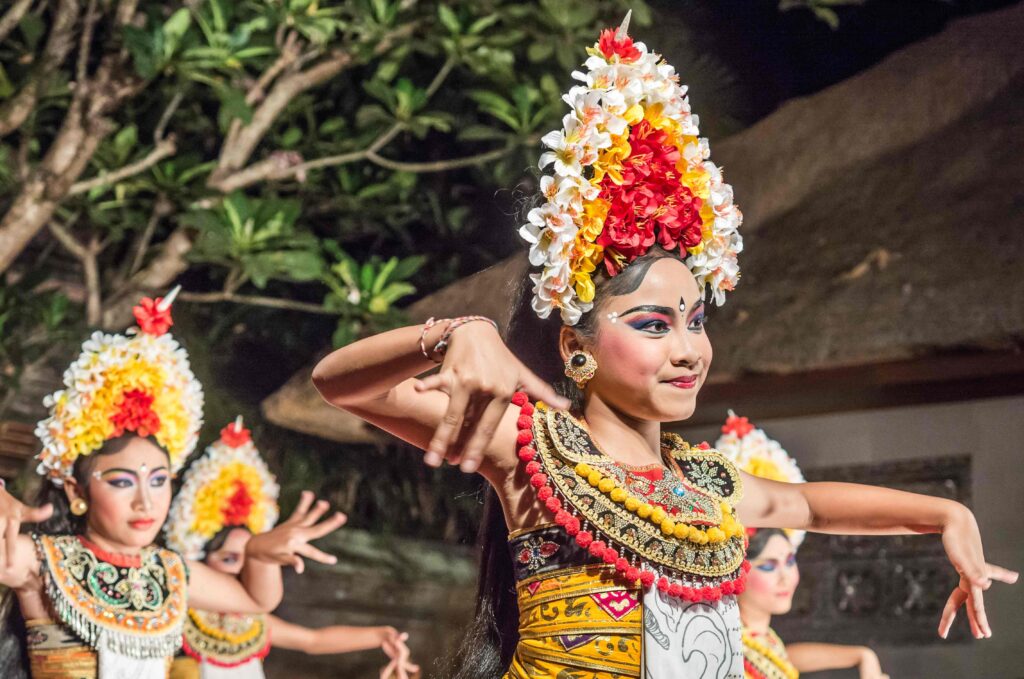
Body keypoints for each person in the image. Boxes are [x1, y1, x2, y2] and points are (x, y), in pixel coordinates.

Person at [309, 13, 1017, 679]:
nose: (688, 349)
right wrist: (456, 332)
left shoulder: (709, 487)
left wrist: (946, 514)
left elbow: (811, 505)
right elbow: (340, 383)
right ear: (576, 345)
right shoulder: (530, 449)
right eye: (652, 323)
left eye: (696, 320)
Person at [0, 290, 345, 679]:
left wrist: (260, 555)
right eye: (121, 482)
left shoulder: (171, 573)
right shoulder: (41, 561)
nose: (145, 501)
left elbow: (254, 599)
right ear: (77, 492)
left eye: (159, 480)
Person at [164, 417, 419, 679]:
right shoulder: (171, 611)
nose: (244, 567)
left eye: (249, 557)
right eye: (229, 559)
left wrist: (380, 635)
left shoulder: (253, 622)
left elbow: (312, 641)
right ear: (201, 561)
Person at [716, 413, 888, 679]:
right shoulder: (725, 644)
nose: (786, 577)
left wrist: (862, 655)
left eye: (790, 561)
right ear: (737, 572)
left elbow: (784, 659)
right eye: (769, 566)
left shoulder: (763, 639)